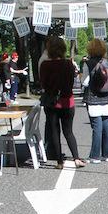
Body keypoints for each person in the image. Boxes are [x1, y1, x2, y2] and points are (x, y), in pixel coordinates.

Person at [39, 36, 85, 169]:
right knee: (68, 131)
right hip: (67, 101)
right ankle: (76, 158)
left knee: (55, 132)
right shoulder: (68, 64)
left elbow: (43, 84)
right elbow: (71, 83)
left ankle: (59, 162)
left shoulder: (45, 65)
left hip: (51, 102)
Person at [82, 38, 108, 163]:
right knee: (107, 125)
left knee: (97, 127)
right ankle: (107, 154)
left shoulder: (88, 64)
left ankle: (95, 156)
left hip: (93, 97)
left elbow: (85, 82)